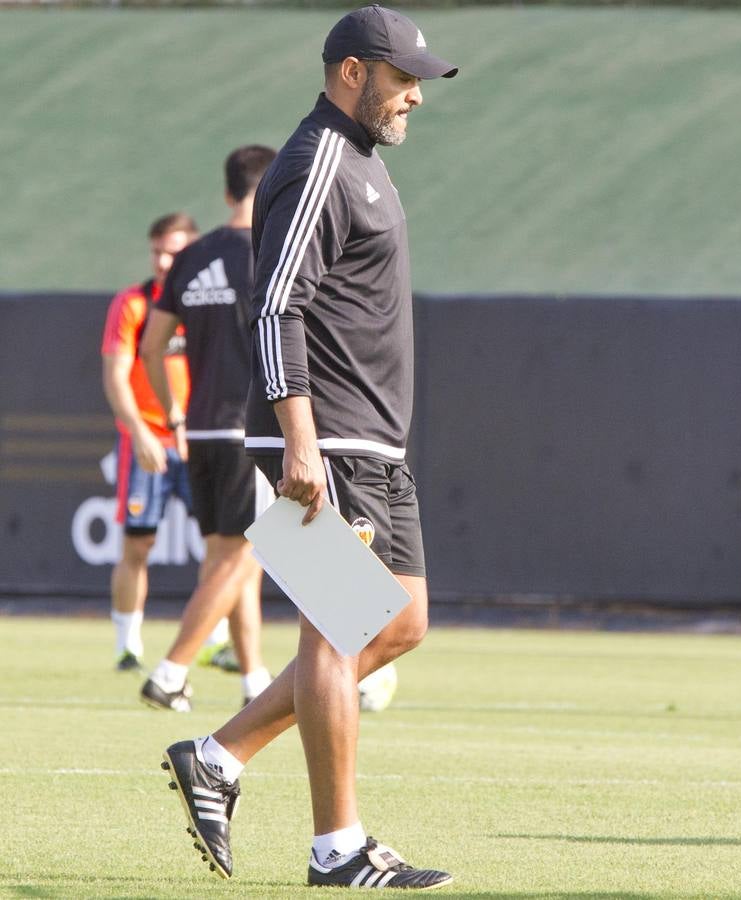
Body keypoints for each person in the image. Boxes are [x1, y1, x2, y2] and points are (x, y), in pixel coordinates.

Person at [160, 5, 459, 888]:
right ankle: (339, 849)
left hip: (372, 441)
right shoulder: (320, 158)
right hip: (325, 438)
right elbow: (275, 304)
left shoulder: (363, 160)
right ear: (352, 73)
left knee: (400, 622)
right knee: (339, 628)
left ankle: (217, 757)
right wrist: (300, 442)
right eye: (403, 78)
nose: (415, 96)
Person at [139, 146, 279, 711]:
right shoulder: (271, 253)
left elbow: (152, 347)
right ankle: (170, 672)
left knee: (228, 557)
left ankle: (254, 681)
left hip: (198, 432)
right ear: (270, 190)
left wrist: (174, 410)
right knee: (247, 555)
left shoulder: (191, 256)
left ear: (226, 193)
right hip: (255, 432)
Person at [101, 213, 198, 672]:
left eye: (173, 252)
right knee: (137, 545)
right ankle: (128, 646)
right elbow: (115, 376)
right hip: (147, 443)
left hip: (198, 440)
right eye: (157, 251)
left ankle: (218, 642)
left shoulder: (204, 302)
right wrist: (140, 432)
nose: (163, 261)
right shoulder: (134, 304)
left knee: (226, 545)